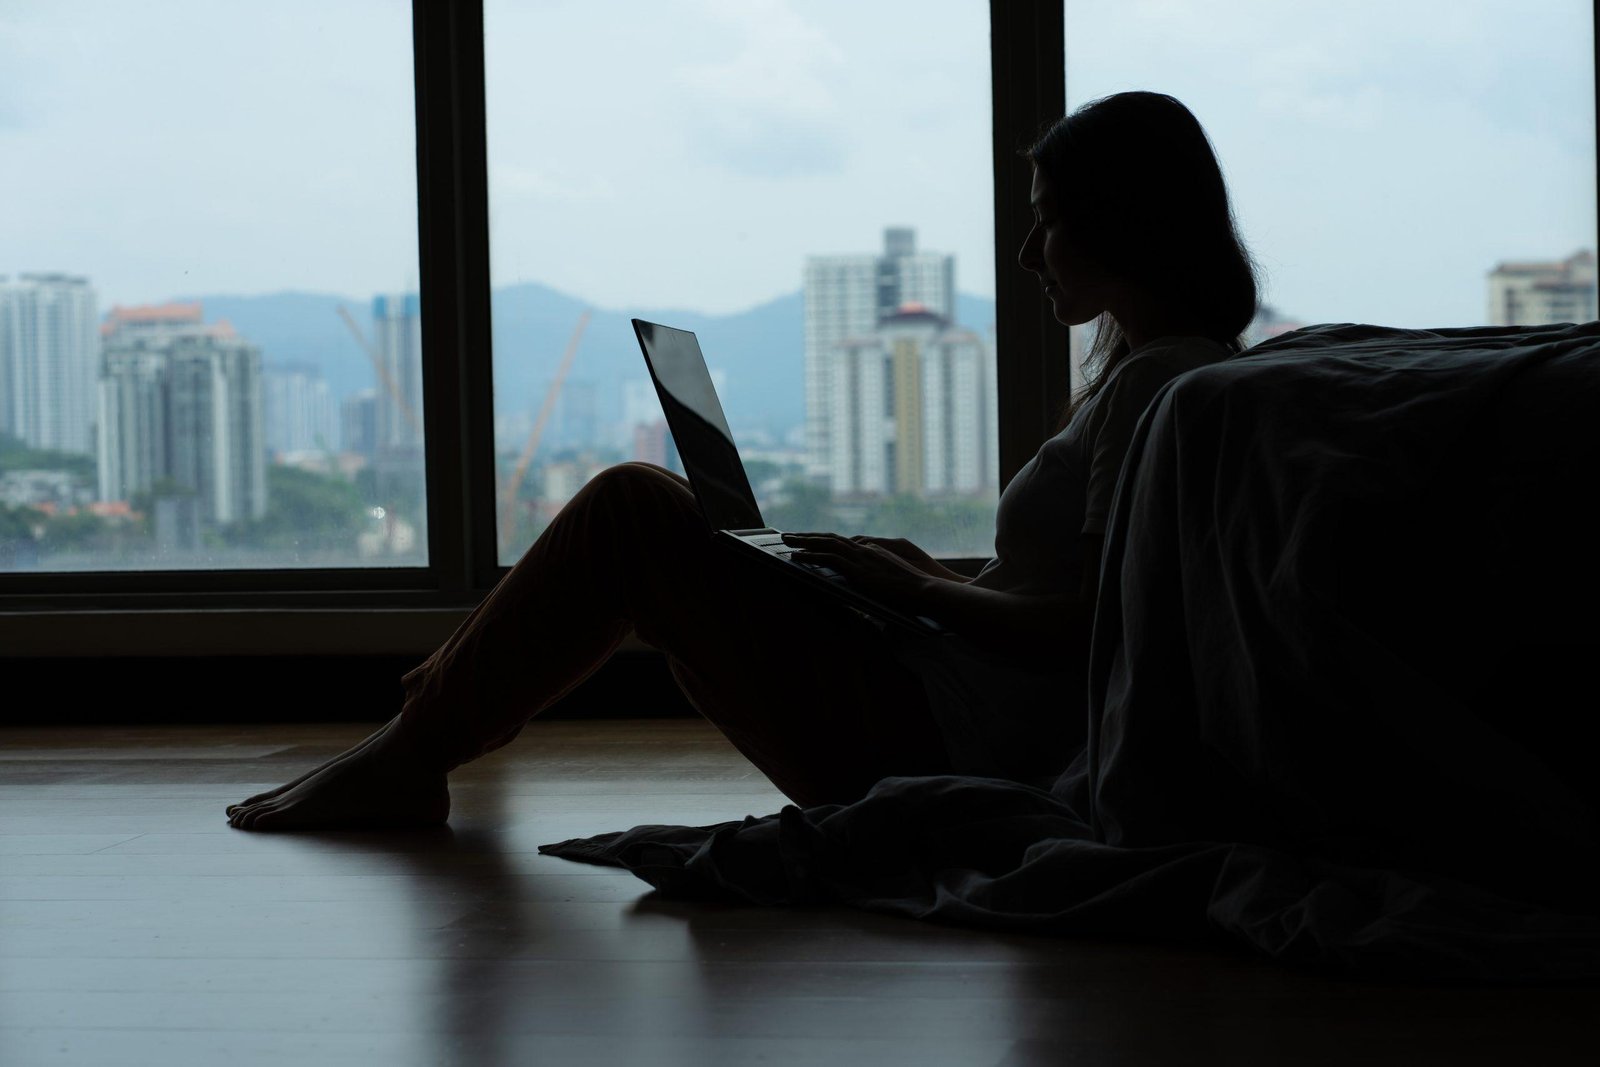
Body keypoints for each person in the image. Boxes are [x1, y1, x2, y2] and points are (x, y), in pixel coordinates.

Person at [225, 90, 1259, 831]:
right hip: (937, 689)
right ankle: (413, 744)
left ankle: (410, 752)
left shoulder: (1160, 382)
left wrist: (917, 589)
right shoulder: (1171, 373)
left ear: (1123, 222)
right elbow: (1081, 588)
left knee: (633, 507)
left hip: (943, 736)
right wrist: (932, 575)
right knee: (687, 521)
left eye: (1049, 220)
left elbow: (1093, 631)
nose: (1030, 254)